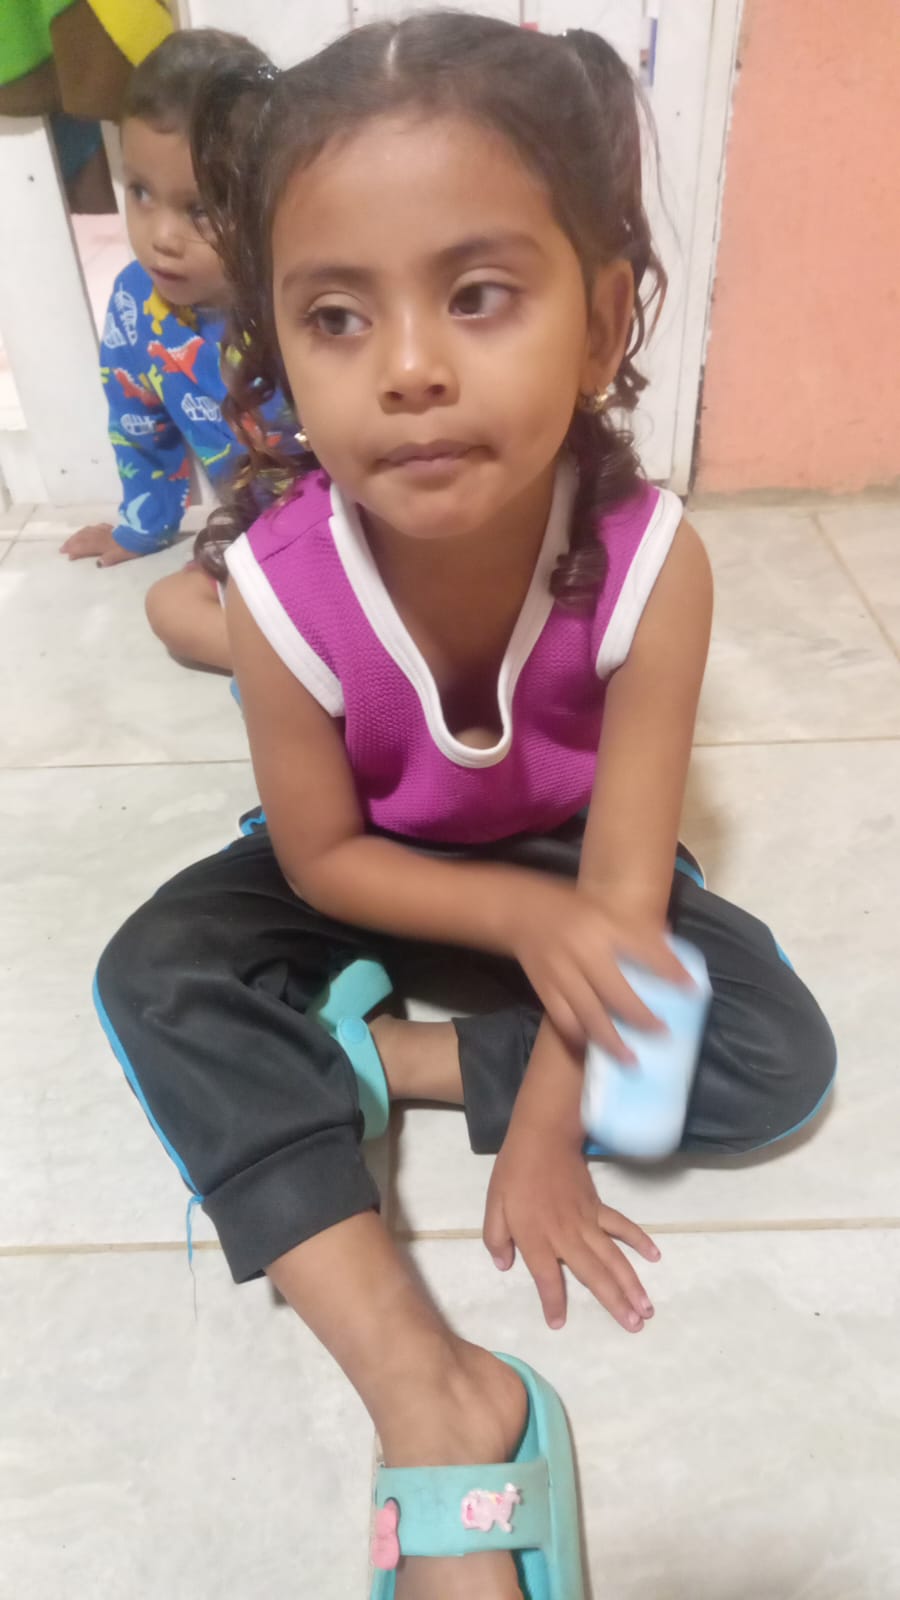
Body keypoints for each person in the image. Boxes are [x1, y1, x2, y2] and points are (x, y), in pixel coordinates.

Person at [94, 16, 837, 1597]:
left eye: (479, 294)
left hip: (577, 864)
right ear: (279, 355)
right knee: (153, 973)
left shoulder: (653, 565)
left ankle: (386, 1059)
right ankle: (433, 1397)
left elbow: (618, 904)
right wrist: (516, 919)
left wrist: (548, 1113)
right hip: (373, 867)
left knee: (775, 1057)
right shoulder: (278, 592)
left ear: (603, 320)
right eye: (337, 316)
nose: (411, 365)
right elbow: (319, 855)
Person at [61, 29, 294, 674]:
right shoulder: (135, 303)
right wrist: (144, 525)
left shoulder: (298, 296)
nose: (161, 236)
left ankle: (327, 667)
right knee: (169, 609)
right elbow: (139, 421)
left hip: (354, 529)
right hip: (249, 539)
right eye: (140, 191)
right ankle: (308, 671)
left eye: (201, 209)